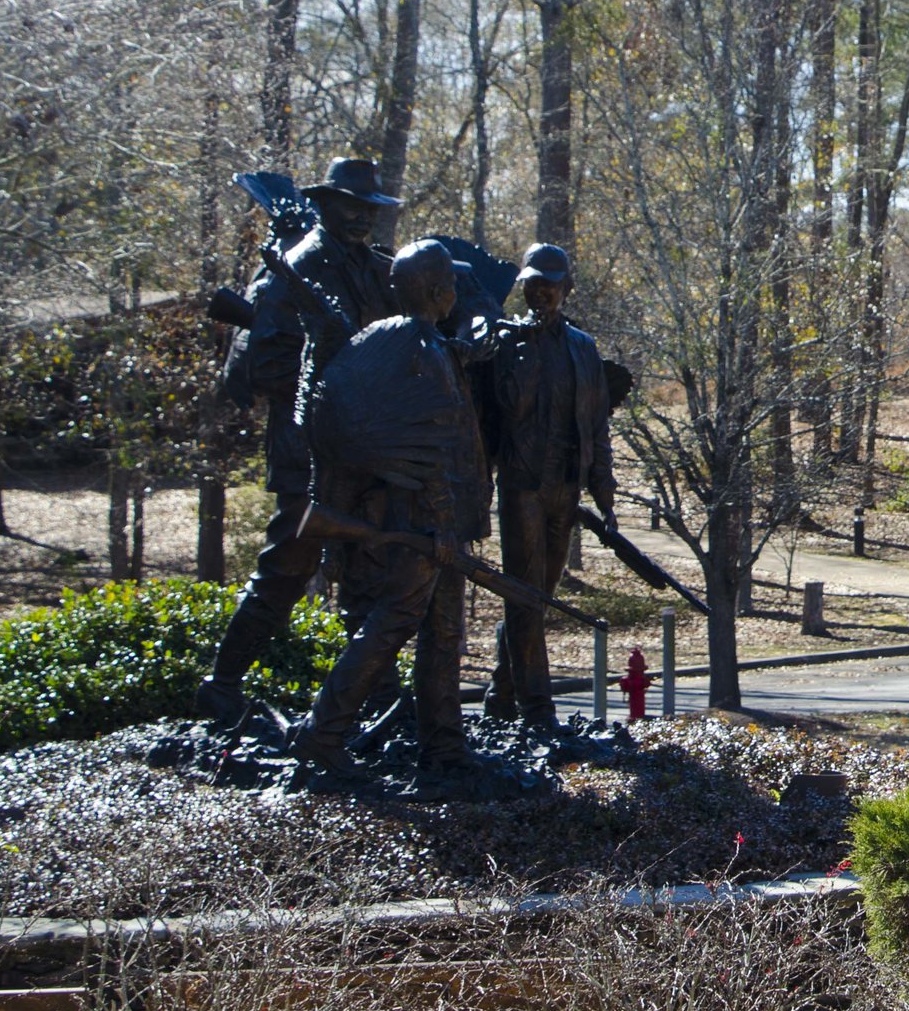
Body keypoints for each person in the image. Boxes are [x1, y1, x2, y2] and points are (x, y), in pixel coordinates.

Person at [197, 159, 401, 724]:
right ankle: (222, 686)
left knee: (367, 572)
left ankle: (381, 701)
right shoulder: (301, 266)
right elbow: (269, 366)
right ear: (326, 205)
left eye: (369, 209)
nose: (361, 217)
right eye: (351, 207)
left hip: (363, 450)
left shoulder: (370, 266)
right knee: (286, 569)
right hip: (308, 452)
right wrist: (334, 379)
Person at [292, 239, 490, 775]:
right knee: (392, 624)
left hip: (417, 518)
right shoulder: (421, 350)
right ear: (436, 289)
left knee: (444, 630)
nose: (456, 293)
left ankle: (445, 746)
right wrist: (446, 526)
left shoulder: (388, 340)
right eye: (451, 283)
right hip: (423, 522)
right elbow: (434, 448)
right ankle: (323, 733)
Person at [479, 243, 629, 725]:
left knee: (538, 597)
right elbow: (491, 416)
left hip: (566, 486)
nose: (541, 292)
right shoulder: (503, 344)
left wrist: (604, 492)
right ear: (523, 288)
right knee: (525, 595)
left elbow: (597, 425)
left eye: (551, 283)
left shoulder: (583, 348)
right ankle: (538, 709)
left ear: (567, 288)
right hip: (522, 483)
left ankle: (500, 698)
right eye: (533, 284)